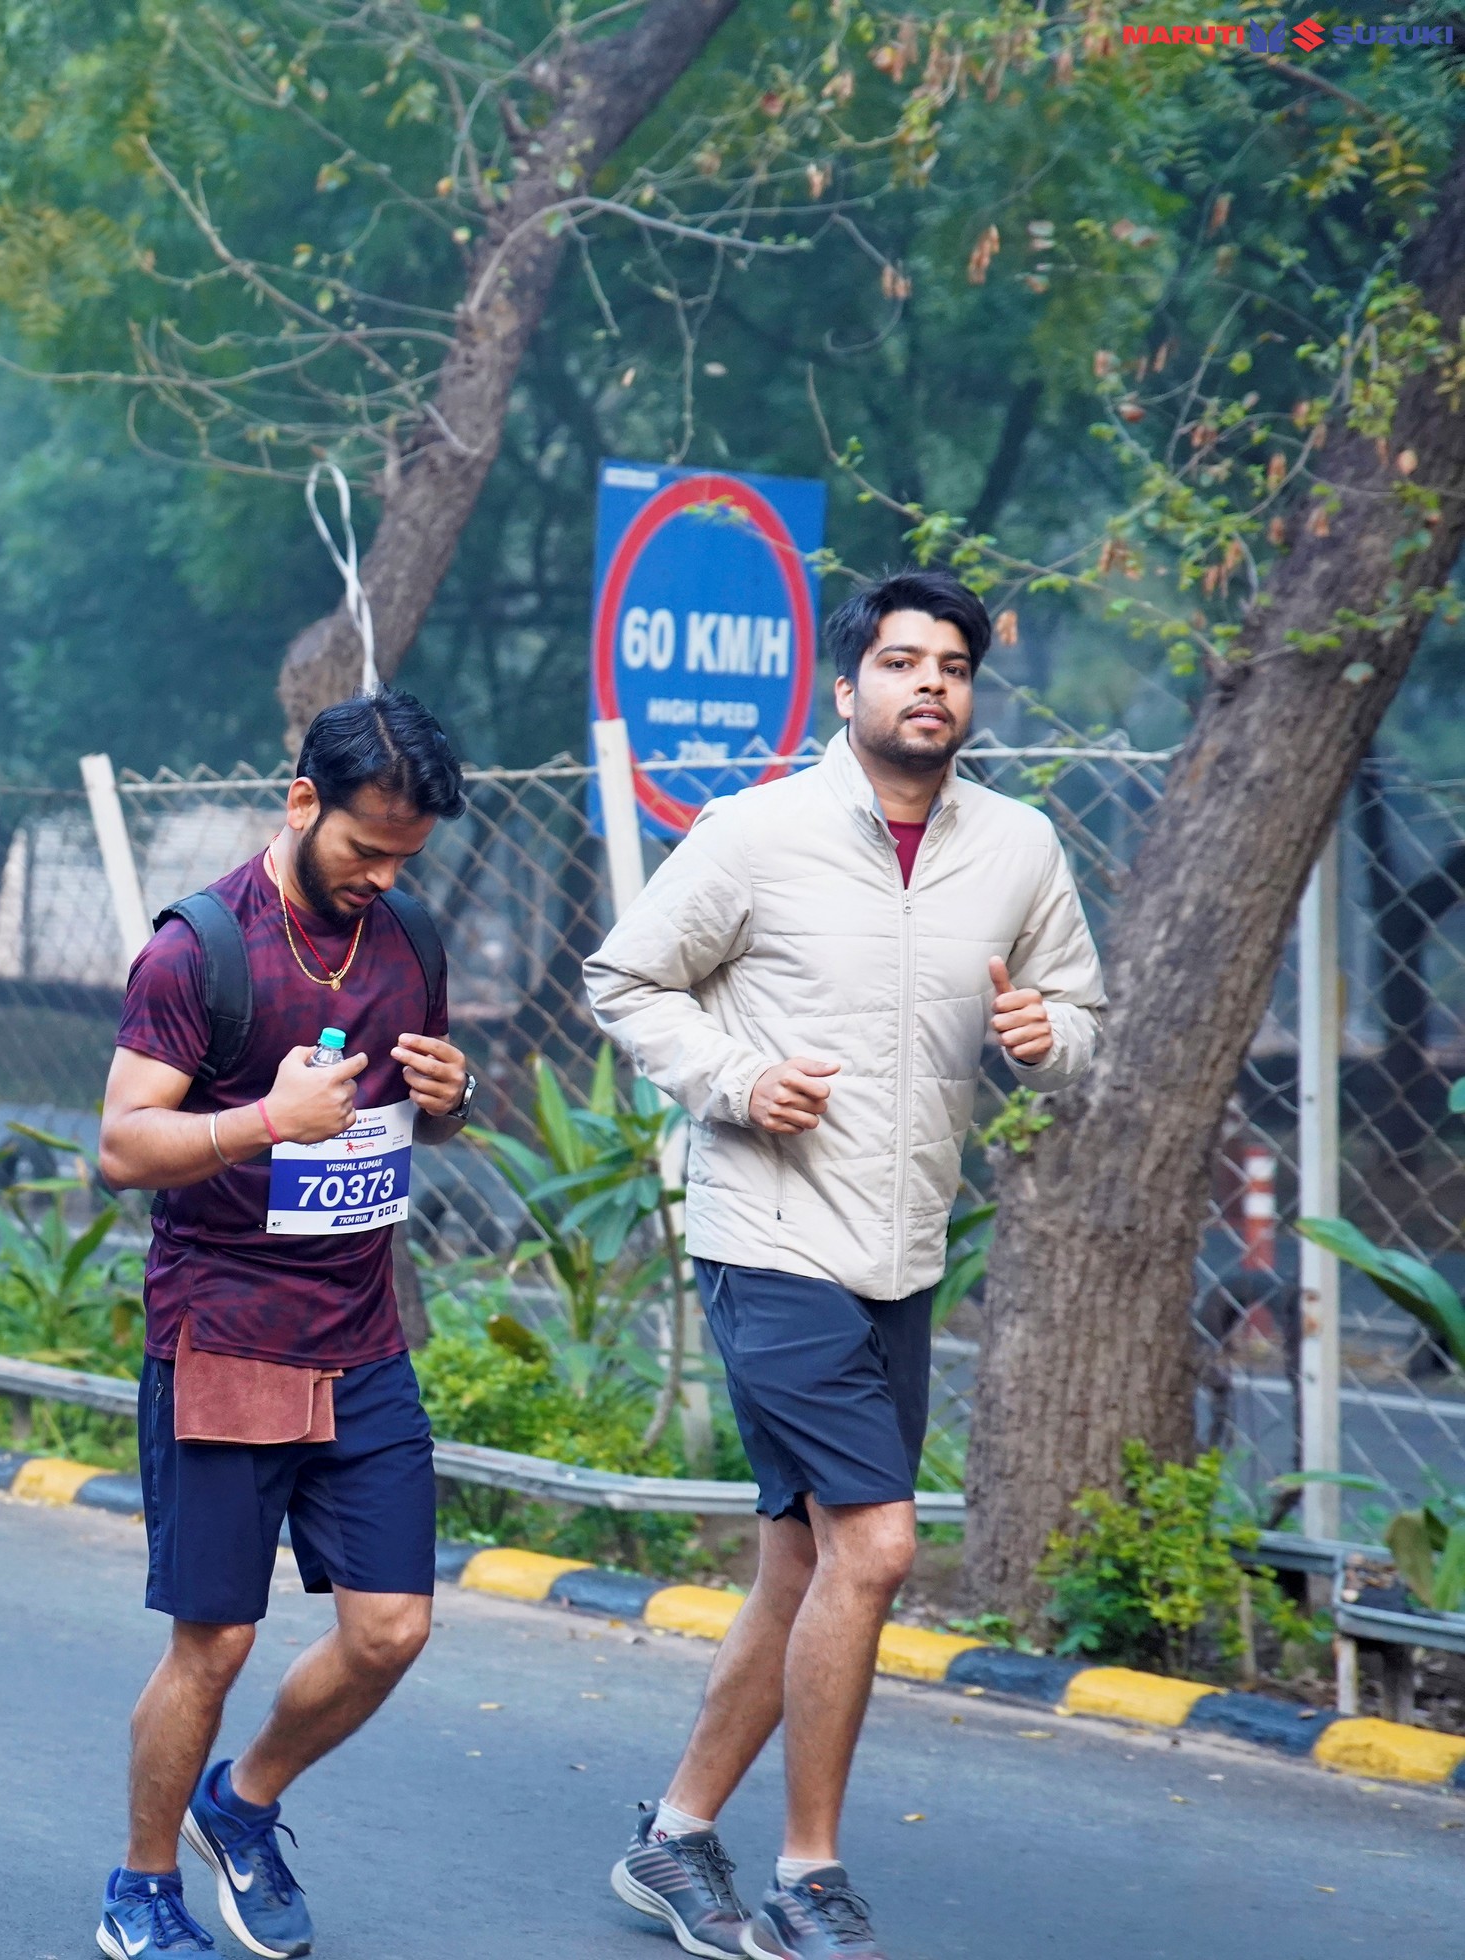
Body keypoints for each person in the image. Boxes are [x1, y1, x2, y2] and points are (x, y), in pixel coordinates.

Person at [586, 570, 1104, 1960]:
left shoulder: (1020, 848)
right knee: (874, 1545)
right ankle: (808, 1873)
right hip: (767, 1235)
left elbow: (1076, 1009)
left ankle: (675, 1833)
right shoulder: (756, 834)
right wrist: (737, 1080)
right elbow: (626, 979)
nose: (930, 683)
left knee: (802, 1560)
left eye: (953, 666)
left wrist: (1051, 1038)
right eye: (901, 660)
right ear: (849, 686)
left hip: (901, 1245)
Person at [91, 691, 478, 1959]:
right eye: (366, 846)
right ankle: (143, 1885)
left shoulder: (408, 936)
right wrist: (263, 1120)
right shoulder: (197, 949)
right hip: (224, 1334)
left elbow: (423, 1118)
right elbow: (121, 1146)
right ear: (302, 800)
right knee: (214, 1642)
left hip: (361, 1337)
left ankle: (243, 1801)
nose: (383, 876)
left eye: (406, 855)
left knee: (392, 1628)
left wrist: (455, 1094)